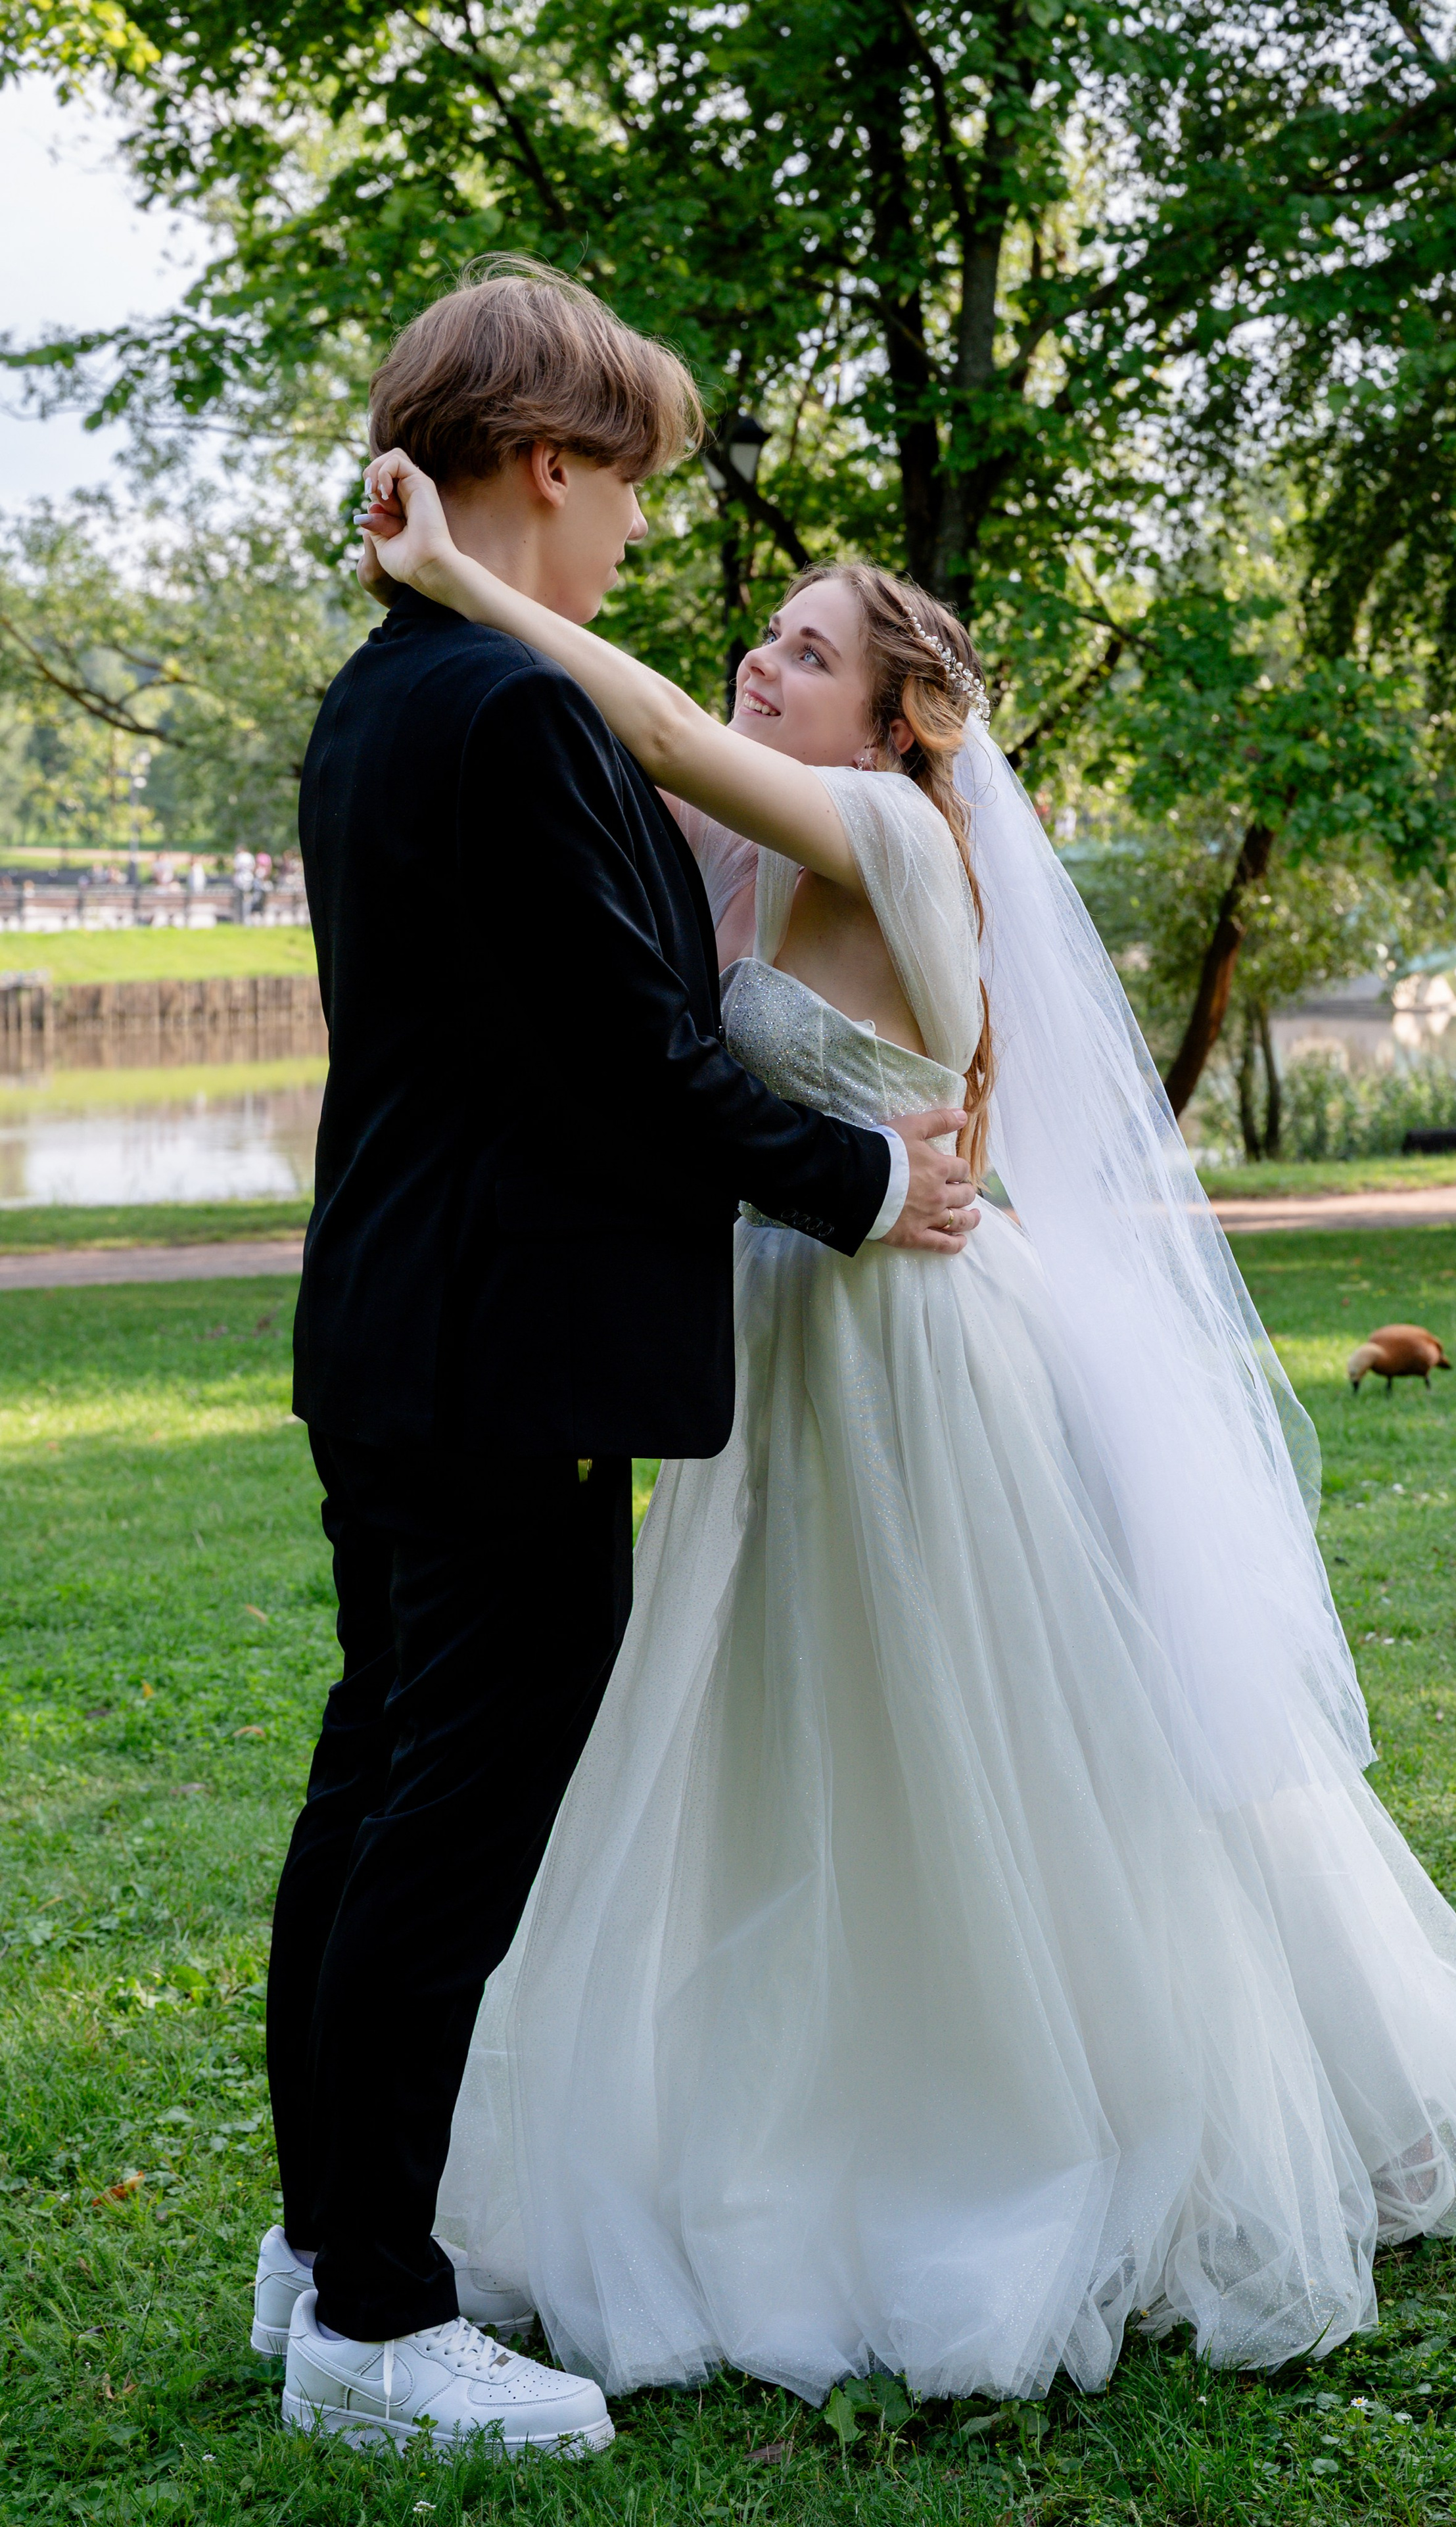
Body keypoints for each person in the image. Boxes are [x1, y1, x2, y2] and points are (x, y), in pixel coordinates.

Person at [359, 450, 1456, 2407]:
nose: (759, 658)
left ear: (905, 725)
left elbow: (631, 709)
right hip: (784, 1344)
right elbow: (598, 830)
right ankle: (783, 2102)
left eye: (805, 651)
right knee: (790, 1744)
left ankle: (1033, 2112)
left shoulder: (896, 835)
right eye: (767, 633)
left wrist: (462, 579)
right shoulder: (772, 852)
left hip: (906, 1352)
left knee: (980, 1744)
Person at [258, 260, 981, 2457]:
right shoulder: (509, 717)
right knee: (443, 1819)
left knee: (375, 1782)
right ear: (547, 468)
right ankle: (381, 2315)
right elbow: (635, 1065)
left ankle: (326, 2247)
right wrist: (860, 1189)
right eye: (634, 488)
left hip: (399, 1326)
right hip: (509, 1359)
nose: (647, 537)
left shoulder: (393, 695)